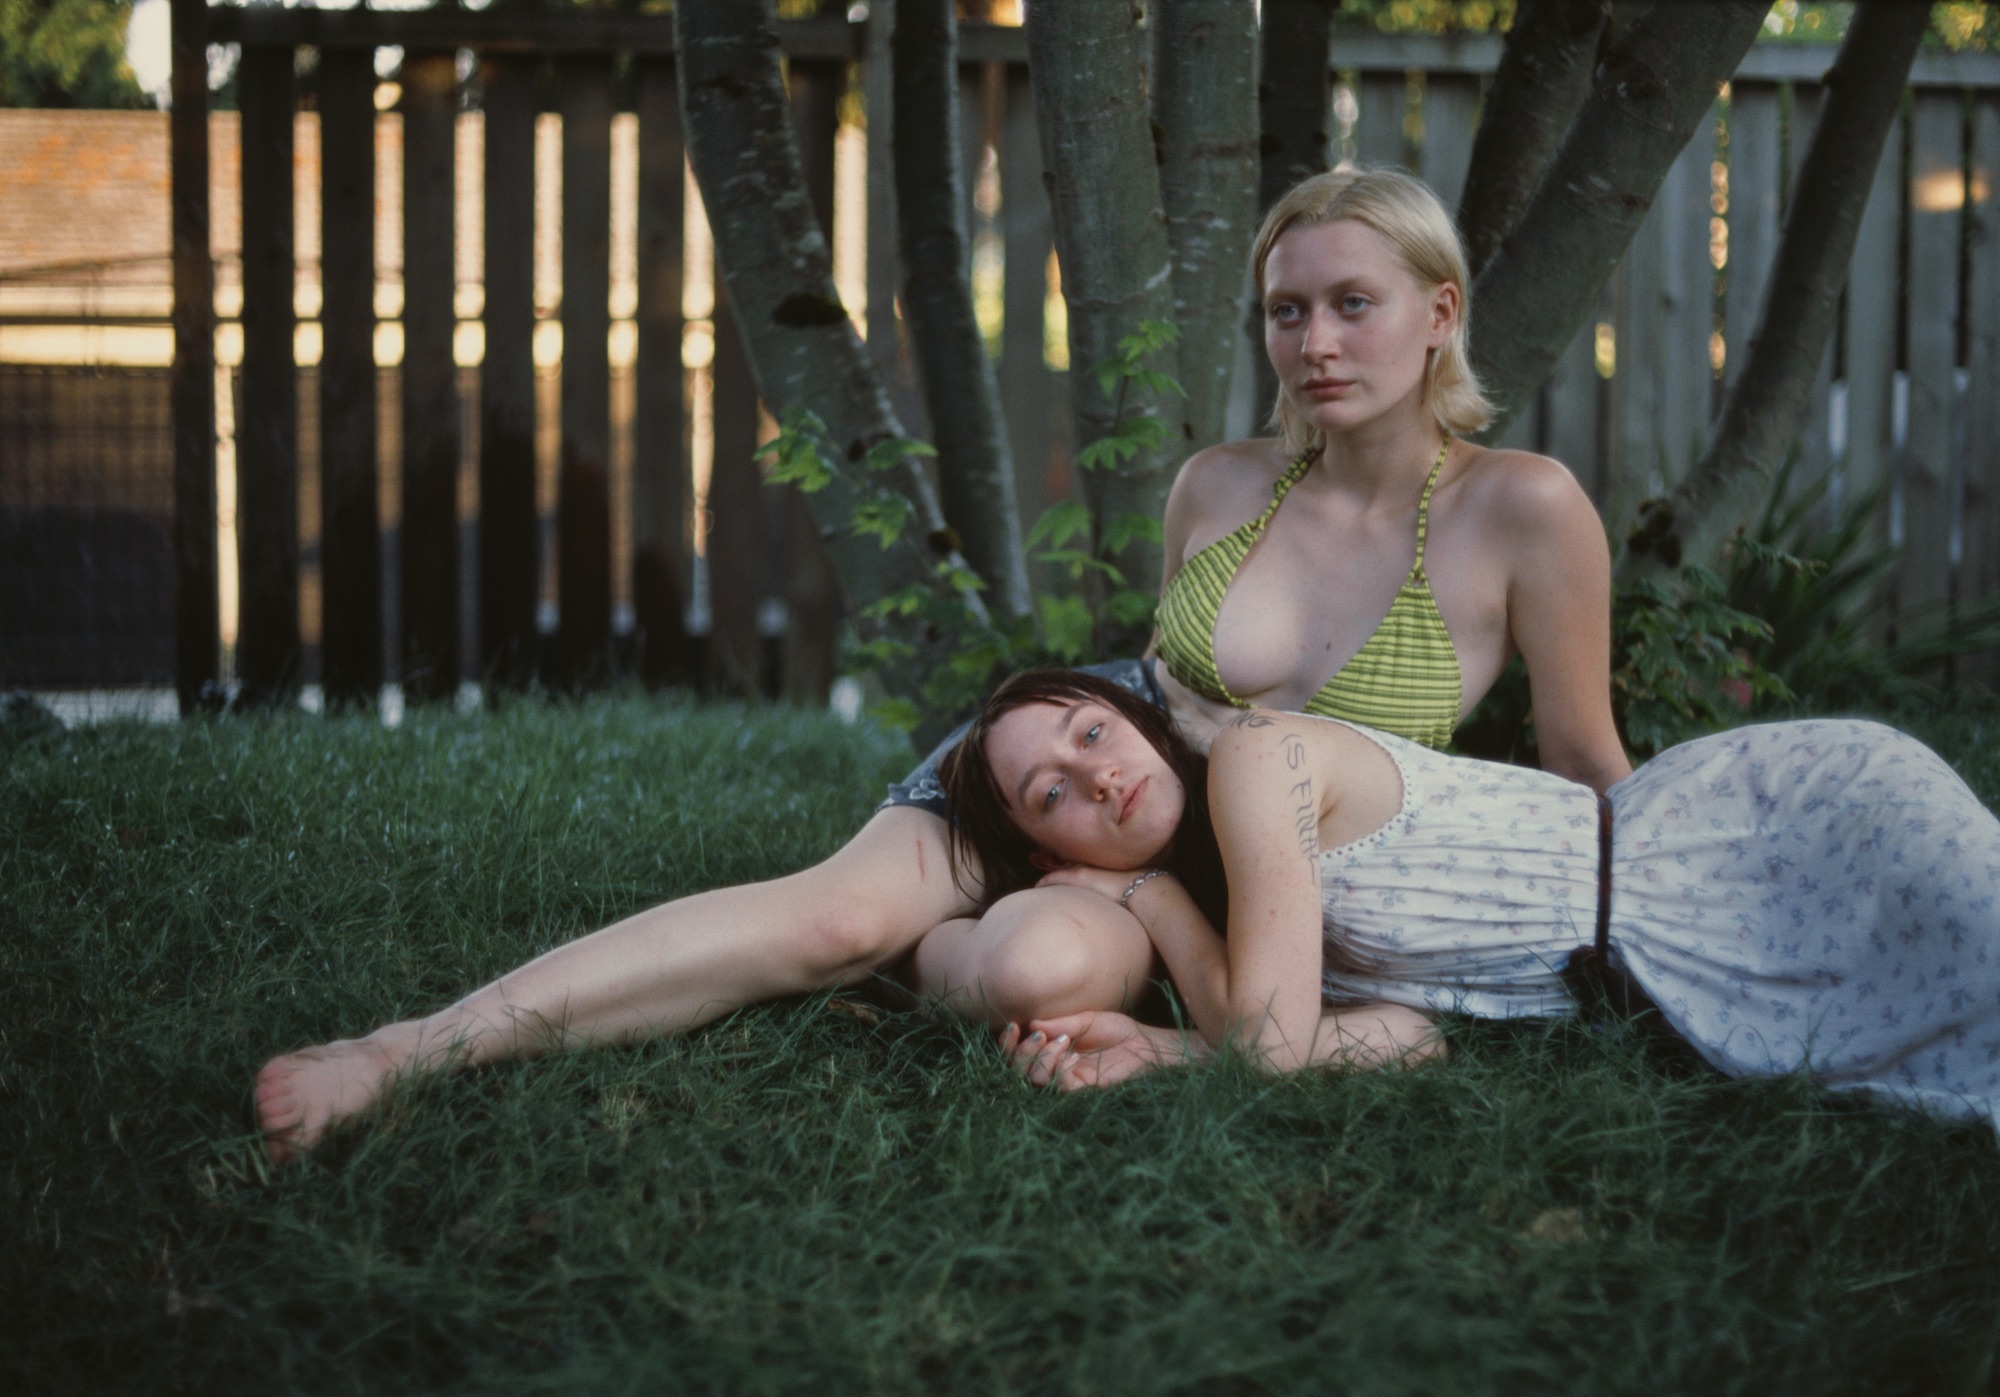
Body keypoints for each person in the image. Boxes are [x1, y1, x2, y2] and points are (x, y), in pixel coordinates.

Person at [253, 166, 1629, 1160]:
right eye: (1285, 312)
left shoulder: (1525, 511)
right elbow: (1156, 694)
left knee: (1039, 975)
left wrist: (1670, 931)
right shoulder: (1221, 483)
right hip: (1082, 770)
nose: (1315, 344)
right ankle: (402, 1052)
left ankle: (938, 965)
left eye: (1352, 304)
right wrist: (1068, 772)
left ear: (1439, 311)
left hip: (1234, 882)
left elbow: (1582, 765)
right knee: (824, 920)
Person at [957, 670, 2000, 1133]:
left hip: (1768, 837)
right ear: (1043, 849)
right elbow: (1411, 1038)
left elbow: (1270, 1047)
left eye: (1089, 731)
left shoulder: (1252, 753)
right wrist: (1168, 1049)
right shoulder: (1245, 912)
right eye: (1049, 791)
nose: (1091, 774)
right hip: (1698, 956)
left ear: (1136, 719)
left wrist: (1145, 894)